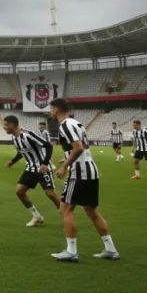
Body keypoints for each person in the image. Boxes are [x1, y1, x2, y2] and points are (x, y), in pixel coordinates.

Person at [49, 98, 120, 262]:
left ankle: (71, 251)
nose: (49, 112)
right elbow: (81, 148)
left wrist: (65, 166)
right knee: (91, 211)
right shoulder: (76, 123)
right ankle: (110, 249)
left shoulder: (65, 125)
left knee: (65, 209)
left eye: (50, 109)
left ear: (56, 110)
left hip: (79, 173)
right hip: (90, 170)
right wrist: (67, 158)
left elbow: (79, 147)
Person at [3, 115, 59, 227]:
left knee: (51, 194)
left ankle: (66, 213)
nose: (5, 127)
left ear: (15, 125)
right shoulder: (14, 138)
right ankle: (37, 217)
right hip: (30, 168)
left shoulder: (28, 135)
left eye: (7, 125)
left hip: (42, 168)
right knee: (19, 191)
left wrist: (44, 163)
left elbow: (48, 146)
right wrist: (12, 162)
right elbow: (21, 152)